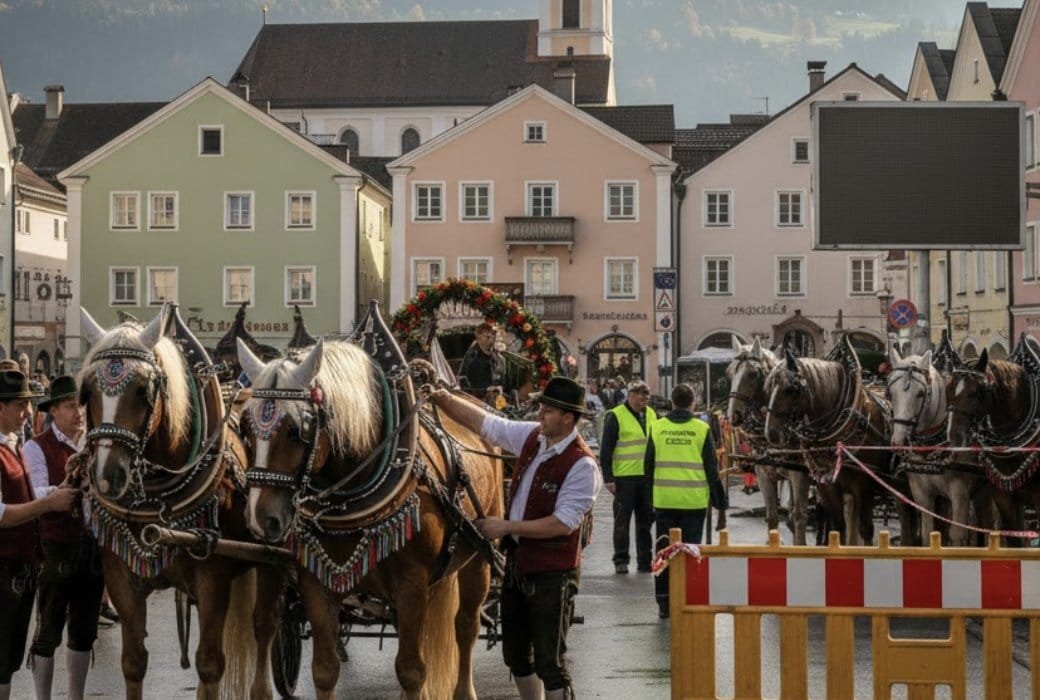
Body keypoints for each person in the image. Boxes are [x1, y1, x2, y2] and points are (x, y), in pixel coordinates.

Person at [425, 376, 601, 700]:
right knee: (517, 656)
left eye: (547, 411)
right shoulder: (534, 438)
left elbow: (562, 524)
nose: (539, 415)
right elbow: (488, 424)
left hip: (553, 573)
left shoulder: (582, 465)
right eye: (540, 408)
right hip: (520, 565)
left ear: (568, 418)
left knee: (550, 662)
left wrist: (505, 528)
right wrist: (440, 396)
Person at [0, 370, 78, 700]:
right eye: (20, 405)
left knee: (10, 659)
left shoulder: (14, 446)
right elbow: (1, 515)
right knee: (1, 656)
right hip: (3, 568)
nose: (28, 413)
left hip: (23, 567)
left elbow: (29, 496)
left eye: (28, 405)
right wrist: (49, 502)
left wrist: (63, 486)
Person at [24, 376, 102, 700]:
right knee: (48, 631)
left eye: (80, 406)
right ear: (53, 411)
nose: (78, 413)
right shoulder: (36, 446)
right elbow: (35, 493)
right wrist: (67, 489)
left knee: (84, 631)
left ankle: (76, 696)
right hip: (54, 548)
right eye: (70, 406)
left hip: (91, 545)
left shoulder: (94, 444)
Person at [646, 383, 728, 619]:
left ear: (672, 402)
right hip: (693, 502)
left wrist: (648, 500)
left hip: (664, 500)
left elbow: (648, 467)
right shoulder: (701, 429)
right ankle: (689, 598)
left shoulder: (657, 427)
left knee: (664, 552)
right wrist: (720, 503)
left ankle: (664, 602)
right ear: (693, 403)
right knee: (691, 551)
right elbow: (711, 470)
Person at [599, 380, 656, 574]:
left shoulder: (651, 414)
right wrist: (608, 478)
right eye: (640, 397)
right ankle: (621, 560)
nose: (643, 401)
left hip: (646, 478)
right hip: (624, 478)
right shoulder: (615, 416)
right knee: (622, 521)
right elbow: (606, 449)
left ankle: (645, 560)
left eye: (646, 398)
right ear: (630, 396)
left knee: (645, 522)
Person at [458, 323, 503, 399]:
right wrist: (485, 390)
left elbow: (501, 379)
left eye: (493, 335)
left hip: (498, 398)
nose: (492, 337)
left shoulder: (497, 357)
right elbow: (464, 386)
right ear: (479, 337)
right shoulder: (472, 358)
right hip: (478, 402)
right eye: (488, 336)